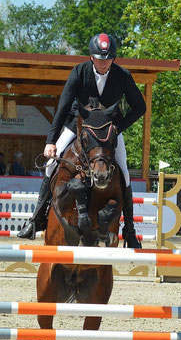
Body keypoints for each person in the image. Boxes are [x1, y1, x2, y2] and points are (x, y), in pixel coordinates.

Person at [18, 33, 146, 248]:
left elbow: (139, 107)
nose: (104, 63)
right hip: (78, 127)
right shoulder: (79, 72)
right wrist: (51, 141)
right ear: (91, 57)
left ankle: (130, 230)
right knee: (51, 165)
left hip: (107, 132)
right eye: (100, 58)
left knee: (123, 172)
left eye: (108, 59)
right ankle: (36, 219)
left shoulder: (122, 76)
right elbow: (63, 107)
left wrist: (117, 128)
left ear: (114, 58)